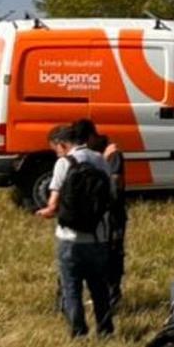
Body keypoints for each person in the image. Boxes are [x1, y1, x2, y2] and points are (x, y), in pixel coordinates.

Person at [36, 124, 116, 338]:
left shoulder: (63, 163)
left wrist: (45, 212)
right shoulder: (100, 160)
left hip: (70, 238)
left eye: (57, 149)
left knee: (72, 288)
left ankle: (79, 332)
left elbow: (53, 205)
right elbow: (110, 194)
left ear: (63, 144)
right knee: (99, 288)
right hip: (98, 237)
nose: (57, 153)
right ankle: (105, 330)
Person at [71, 119, 127, 308]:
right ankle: (103, 293)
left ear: (91, 137)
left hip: (113, 212)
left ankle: (113, 296)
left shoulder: (112, 153)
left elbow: (115, 183)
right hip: (99, 214)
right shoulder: (97, 153)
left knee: (113, 252)